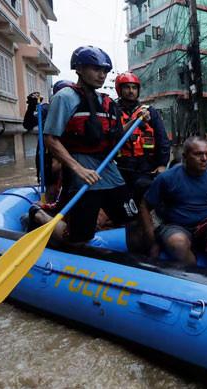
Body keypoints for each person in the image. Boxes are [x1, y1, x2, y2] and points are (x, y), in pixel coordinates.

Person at [40, 45, 146, 244]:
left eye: (105, 71)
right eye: (96, 69)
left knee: (132, 220)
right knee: (81, 235)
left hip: (108, 170)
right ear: (79, 69)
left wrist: (137, 119)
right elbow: (50, 139)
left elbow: (117, 135)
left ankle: (135, 263)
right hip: (82, 174)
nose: (102, 75)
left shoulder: (105, 102)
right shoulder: (64, 98)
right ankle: (39, 216)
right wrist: (78, 169)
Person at [141, 136, 207, 269]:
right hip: (177, 227)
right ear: (185, 156)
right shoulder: (167, 178)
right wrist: (152, 241)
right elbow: (144, 205)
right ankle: (195, 276)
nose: (204, 159)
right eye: (198, 154)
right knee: (178, 242)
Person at [113, 71, 171, 252]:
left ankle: (154, 240)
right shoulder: (112, 111)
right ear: (119, 90)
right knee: (128, 211)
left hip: (147, 167)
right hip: (122, 168)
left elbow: (162, 139)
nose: (131, 91)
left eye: (134, 88)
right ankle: (132, 245)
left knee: (148, 205)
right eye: (127, 88)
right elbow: (111, 138)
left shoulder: (149, 112)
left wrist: (162, 164)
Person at [22, 80, 74, 205]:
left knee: (70, 185)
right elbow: (28, 124)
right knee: (51, 186)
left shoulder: (76, 110)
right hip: (48, 155)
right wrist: (31, 107)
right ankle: (49, 208)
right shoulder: (45, 109)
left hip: (69, 154)